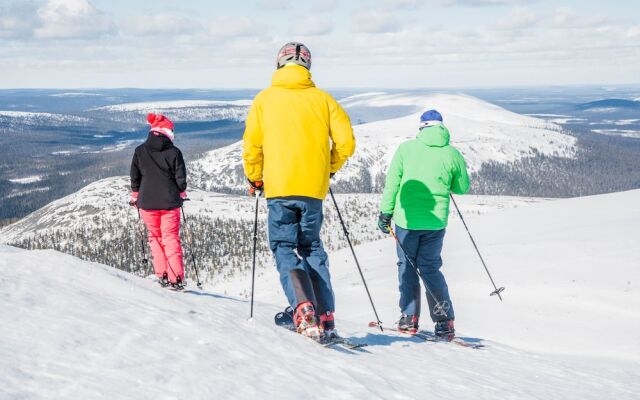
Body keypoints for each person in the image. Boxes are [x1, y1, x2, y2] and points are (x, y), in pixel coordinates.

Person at [243, 42, 355, 339]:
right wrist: (329, 167)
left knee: (283, 245)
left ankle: (303, 308)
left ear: (279, 64)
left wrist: (255, 179)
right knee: (312, 247)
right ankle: (325, 313)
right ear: (307, 66)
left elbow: (252, 147)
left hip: (279, 188)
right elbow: (346, 144)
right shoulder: (323, 100)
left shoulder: (265, 100)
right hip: (313, 189)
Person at [378, 109, 470, 338]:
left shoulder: (405, 149)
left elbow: (392, 184)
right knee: (430, 268)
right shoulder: (452, 153)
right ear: (441, 128)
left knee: (407, 266)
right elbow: (462, 187)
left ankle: (409, 318)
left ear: (422, 128)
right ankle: (445, 321)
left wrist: (385, 213)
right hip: (435, 222)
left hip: (406, 221)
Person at [130, 113, 188, 290]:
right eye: (172, 130)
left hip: (147, 203)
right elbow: (181, 179)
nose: (173, 133)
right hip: (170, 203)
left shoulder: (140, 151)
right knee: (170, 239)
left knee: (155, 239)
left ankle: (161, 274)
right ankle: (176, 278)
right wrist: (181, 192)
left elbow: (135, 176)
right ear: (166, 131)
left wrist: (135, 195)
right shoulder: (174, 152)